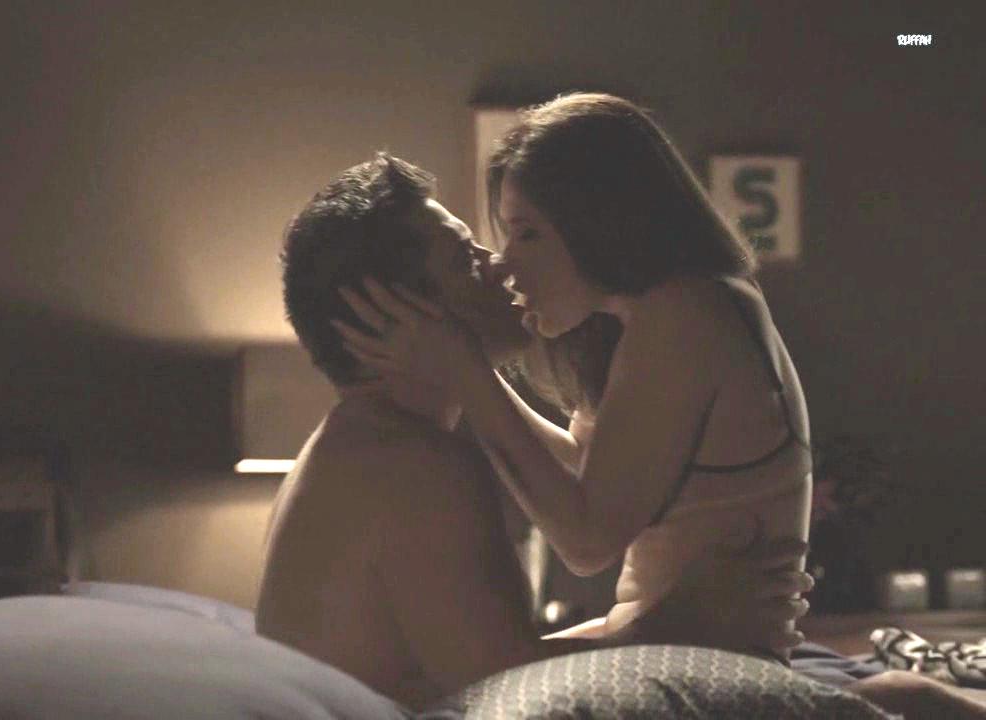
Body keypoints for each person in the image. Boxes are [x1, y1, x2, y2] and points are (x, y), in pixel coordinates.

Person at [334, 96, 986, 717]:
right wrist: (466, 372)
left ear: (598, 221)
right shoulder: (653, 317)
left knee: (460, 682)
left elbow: (587, 540)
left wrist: (467, 374)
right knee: (449, 680)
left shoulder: (685, 314)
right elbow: (587, 470)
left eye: (527, 233)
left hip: (712, 662)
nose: (507, 265)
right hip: (673, 641)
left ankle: (903, 701)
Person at [257, 152, 813, 711]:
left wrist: (662, 624)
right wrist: (689, 622)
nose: (500, 266)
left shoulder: (365, 444)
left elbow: (492, 661)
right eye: (466, 258)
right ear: (400, 311)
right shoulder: (412, 465)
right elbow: (512, 684)